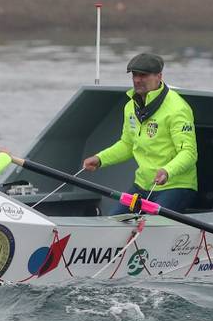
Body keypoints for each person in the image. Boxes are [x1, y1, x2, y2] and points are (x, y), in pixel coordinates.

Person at [82, 53, 197, 215]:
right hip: (142, 186)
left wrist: (167, 171)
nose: (137, 80)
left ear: (159, 76)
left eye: (143, 75)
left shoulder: (178, 109)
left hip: (176, 186)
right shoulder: (130, 107)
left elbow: (189, 153)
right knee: (113, 221)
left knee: (149, 225)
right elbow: (127, 145)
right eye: (134, 75)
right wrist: (100, 159)